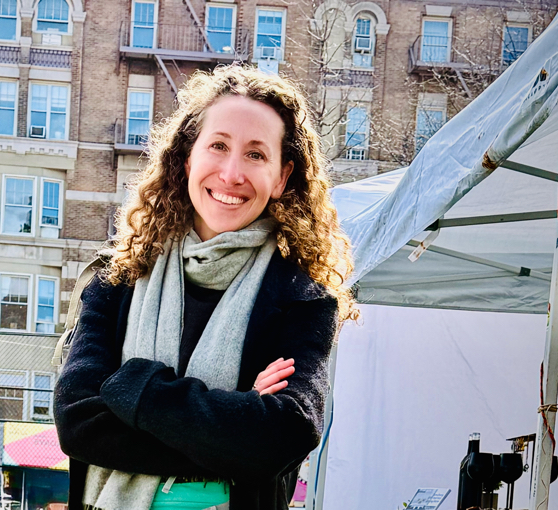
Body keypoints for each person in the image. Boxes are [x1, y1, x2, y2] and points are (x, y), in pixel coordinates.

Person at [53, 65, 357, 510]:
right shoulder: (118, 277)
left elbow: (286, 434)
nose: (232, 173)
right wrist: (234, 423)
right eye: (218, 146)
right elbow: (78, 424)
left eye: (256, 155)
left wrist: (133, 387)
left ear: (281, 177)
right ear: (188, 158)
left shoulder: (304, 298)